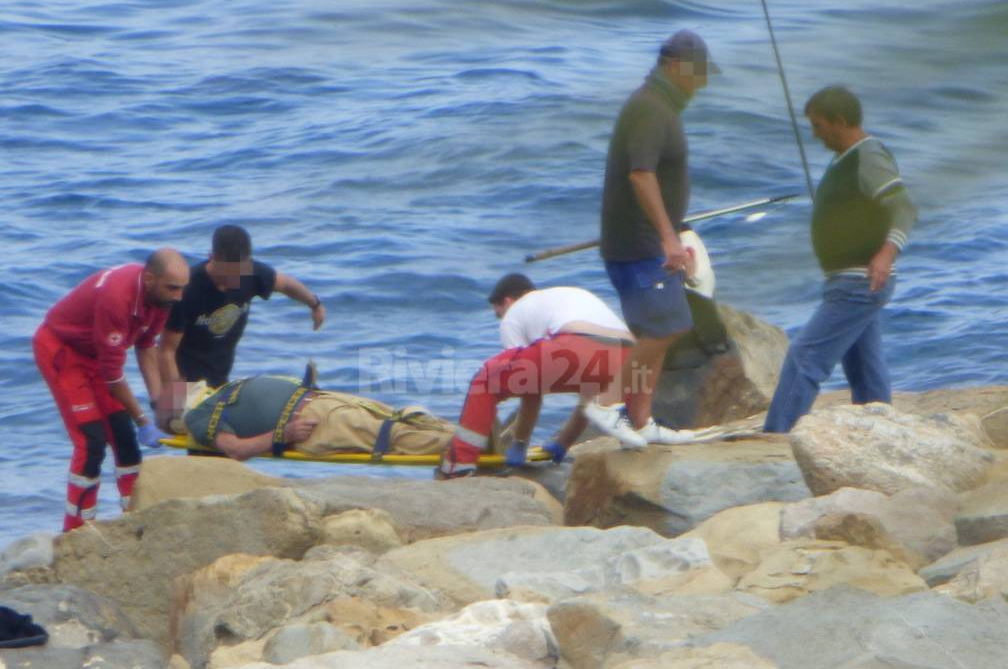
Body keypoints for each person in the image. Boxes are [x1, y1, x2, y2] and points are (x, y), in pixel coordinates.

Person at [589, 29, 719, 445]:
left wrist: (676, 232)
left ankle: (641, 422)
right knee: (664, 329)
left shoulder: (658, 106)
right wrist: (667, 238)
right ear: (676, 67)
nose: (702, 83)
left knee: (663, 328)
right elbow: (641, 175)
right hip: (641, 246)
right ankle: (604, 403)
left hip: (649, 242)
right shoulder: (649, 109)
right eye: (698, 73)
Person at [763, 85, 916, 432]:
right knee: (864, 367)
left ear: (841, 121)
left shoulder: (868, 156)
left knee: (805, 357)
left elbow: (903, 207)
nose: (815, 135)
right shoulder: (845, 160)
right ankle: (878, 429)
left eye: (819, 126)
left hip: (859, 281)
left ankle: (777, 434)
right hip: (848, 281)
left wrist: (885, 254)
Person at [33, 249, 189, 531]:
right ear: (150, 278)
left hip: (95, 355)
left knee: (123, 435)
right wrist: (142, 419)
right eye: (172, 288)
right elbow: (113, 375)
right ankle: (77, 528)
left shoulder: (160, 301)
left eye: (182, 289)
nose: (178, 296)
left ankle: (133, 515)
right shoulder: (118, 300)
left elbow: (145, 347)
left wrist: (159, 406)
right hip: (62, 351)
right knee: (90, 440)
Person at [437, 273, 641, 479]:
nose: (501, 319)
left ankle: (459, 465)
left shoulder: (514, 313)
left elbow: (528, 386)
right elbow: (588, 398)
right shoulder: (561, 297)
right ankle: (636, 443)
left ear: (507, 301)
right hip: (632, 359)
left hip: (578, 345)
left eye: (498, 313)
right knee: (593, 387)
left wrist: (520, 443)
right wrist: (564, 443)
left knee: (485, 381)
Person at [158, 225, 326, 388]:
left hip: (220, 380)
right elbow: (166, 352)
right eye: (227, 274)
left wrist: (315, 304)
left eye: (239, 274)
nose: (233, 282)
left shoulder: (252, 274)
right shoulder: (187, 290)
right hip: (183, 382)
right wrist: (175, 404)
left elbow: (286, 285)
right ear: (211, 257)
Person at [174, 375, 454, 462]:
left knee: (404, 417)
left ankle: (475, 432)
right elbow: (235, 449)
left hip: (324, 401)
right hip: (313, 426)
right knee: (392, 437)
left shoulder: (220, 393)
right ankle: (469, 445)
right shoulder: (199, 416)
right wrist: (283, 434)